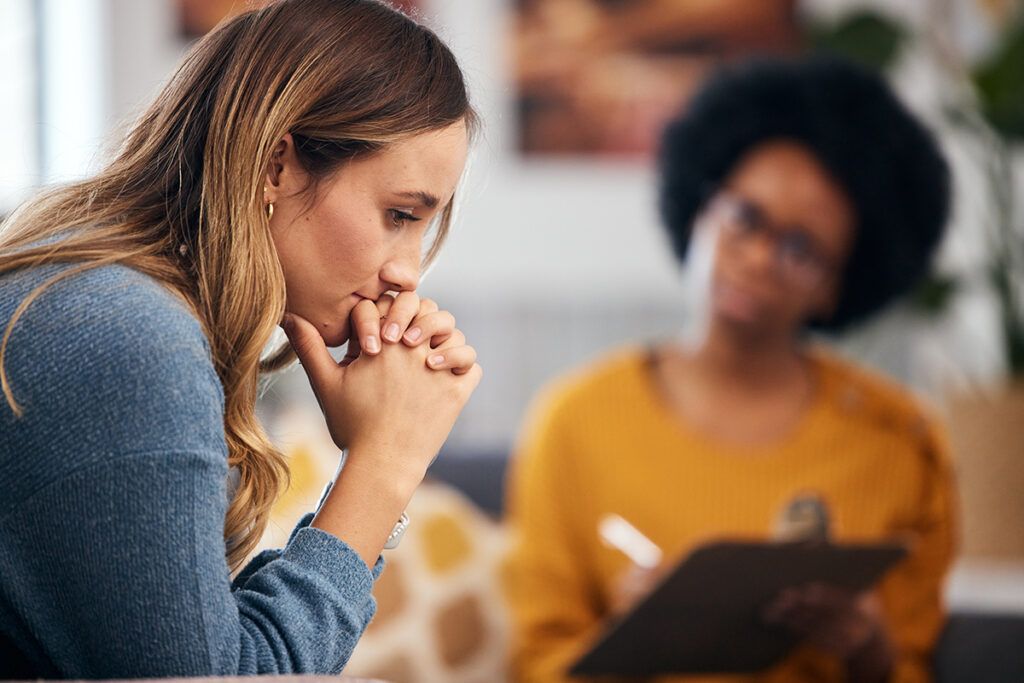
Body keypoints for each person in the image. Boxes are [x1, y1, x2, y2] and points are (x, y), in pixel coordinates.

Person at [0, 0, 481, 677]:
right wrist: (382, 467)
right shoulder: (129, 340)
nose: (407, 272)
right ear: (276, 165)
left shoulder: (106, 302)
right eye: (399, 214)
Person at [505, 56, 956, 683]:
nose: (758, 259)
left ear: (837, 285)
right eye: (745, 218)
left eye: (801, 248)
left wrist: (867, 648)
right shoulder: (573, 420)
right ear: (700, 209)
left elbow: (913, 667)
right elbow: (536, 662)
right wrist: (631, 644)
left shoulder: (902, 441)